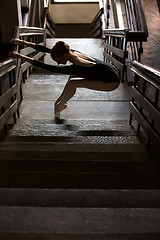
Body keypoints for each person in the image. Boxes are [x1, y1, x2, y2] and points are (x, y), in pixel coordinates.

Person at [9, 38, 120, 119]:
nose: (57, 63)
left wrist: (20, 56)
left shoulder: (77, 65)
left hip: (111, 82)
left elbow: (46, 66)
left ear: (63, 56)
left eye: (57, 60)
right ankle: (60, 102)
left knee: (73, 82)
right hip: (110, 69)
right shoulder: (70, 52)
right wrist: (23, 42)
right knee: (72, 80)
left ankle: (60, 106)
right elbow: (46, 49)